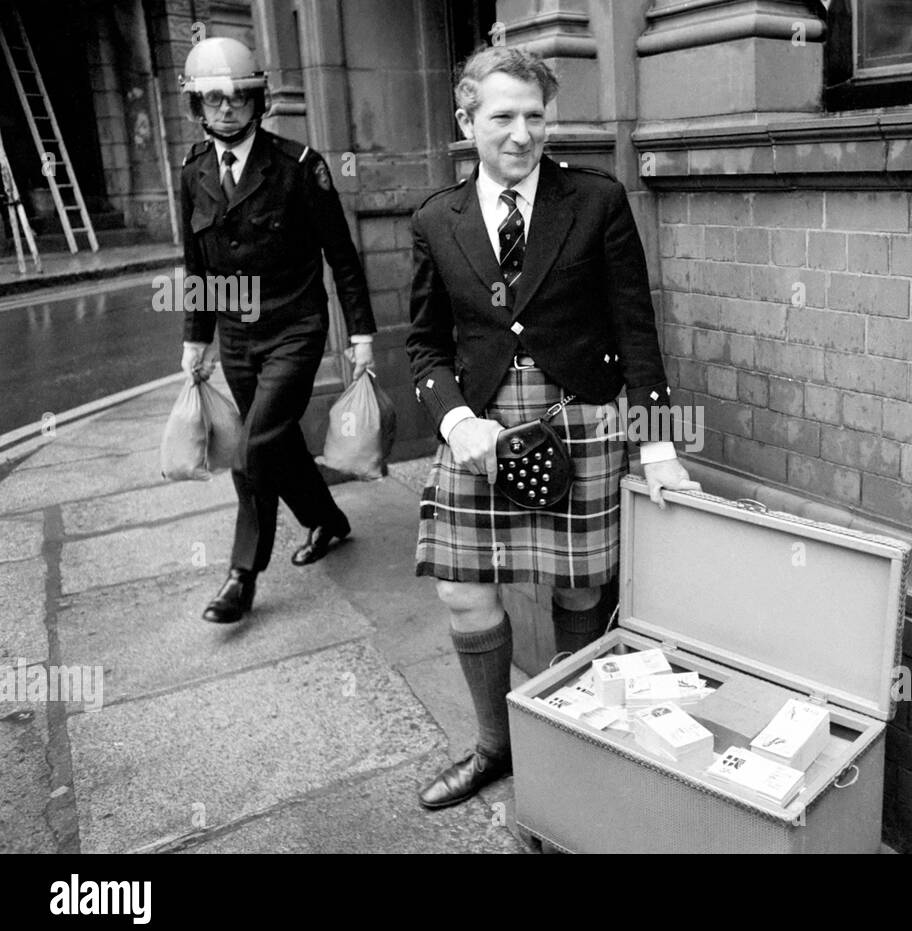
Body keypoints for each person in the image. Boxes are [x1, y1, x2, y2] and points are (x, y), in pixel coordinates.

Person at [407, 46, 697, 809]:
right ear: (466, 120)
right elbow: (425, 345)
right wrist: (455, 419)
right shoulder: (438, 218)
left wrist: (660, 446)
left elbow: (637, 328)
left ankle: (574, 741)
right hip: (481, 430)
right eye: (502, 116)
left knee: (577, 596)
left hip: (582, 417)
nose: (522, 133)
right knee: (463, 595)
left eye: (536, 116)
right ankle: (495, 748)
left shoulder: (595, 200)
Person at [177, 37, 376, 623]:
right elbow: (197, 264)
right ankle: (328, 520)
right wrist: (196, 339)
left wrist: (360, 336)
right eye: (213, 98)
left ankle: (241, 574)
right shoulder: (192, 173)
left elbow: (341, 257)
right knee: (280, 441)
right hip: (236, 339)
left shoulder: (300, 166)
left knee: (254, 444)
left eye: (240, 96)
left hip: (295, 328)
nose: (227, 108)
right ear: (198, 107)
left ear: (258, 101)